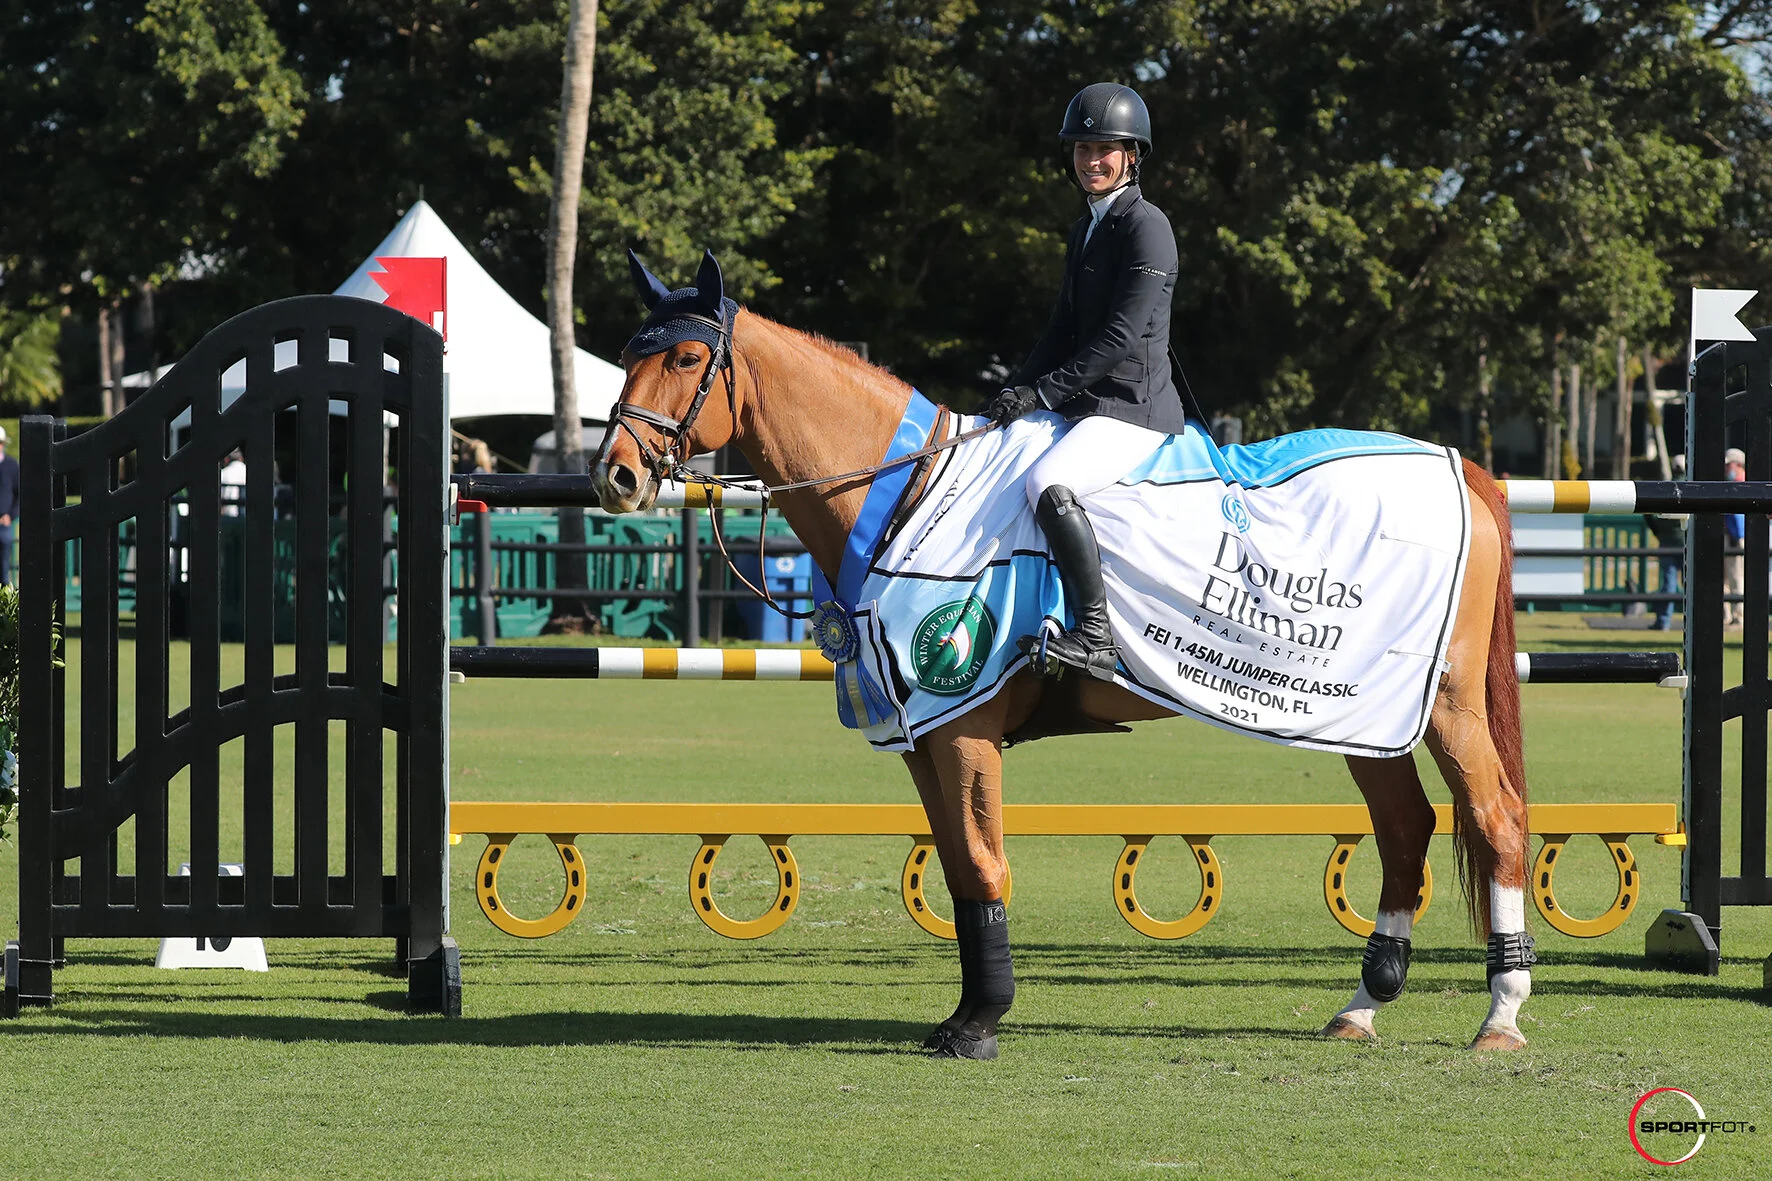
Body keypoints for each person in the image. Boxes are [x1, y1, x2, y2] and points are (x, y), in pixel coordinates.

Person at [989, 82, 1202, 680]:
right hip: (1087, 406)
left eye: (1105, 148)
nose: (1091, 160)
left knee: (1049, 482)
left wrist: (1044, 394)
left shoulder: (1147, 226)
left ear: (1132, 155)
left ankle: (1095, 636)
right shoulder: (1086, 228)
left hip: (1133, 409)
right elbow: (1062, 329)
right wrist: (1014, 392)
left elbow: (1122, 338)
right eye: (1082, 148)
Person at [1645, 454, 1685, 631]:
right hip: (1686, 545)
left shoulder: (1667, 489)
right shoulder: (1691, 488)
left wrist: (1658, 533)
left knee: (1668, 585)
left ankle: (1663, 621)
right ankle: (1696, 624)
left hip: (1667, 544)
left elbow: (1651, 516)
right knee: (1690, 586)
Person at [1724, 447, 1746, 627]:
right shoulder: (1732, 484)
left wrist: (1737, 536)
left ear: (1738, 465)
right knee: (1724, 578)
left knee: (1736, 576)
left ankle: (1738, 615)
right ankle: (1726, 615)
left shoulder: (1743, 484)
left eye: (1728, 465)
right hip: (1728, 535)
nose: (1726, 469)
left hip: (1736, 536)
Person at [0, 426, 18, 586]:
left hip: (4, 525)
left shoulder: (12, 466)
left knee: (4, 568)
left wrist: (10, 515)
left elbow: (19, 494)